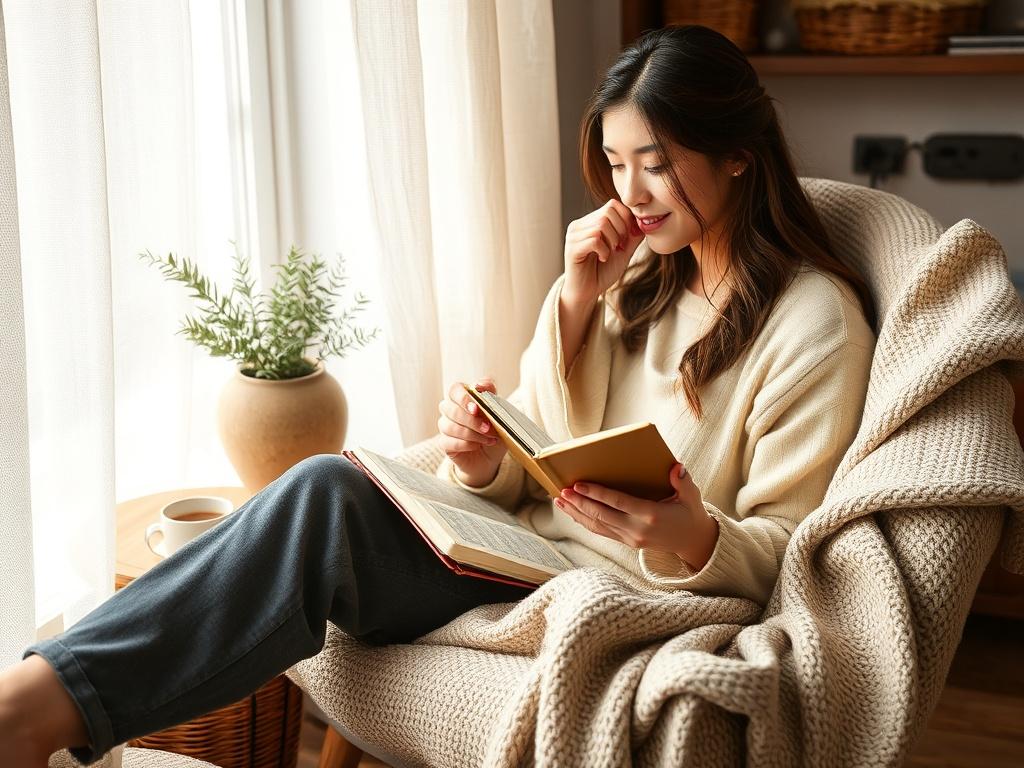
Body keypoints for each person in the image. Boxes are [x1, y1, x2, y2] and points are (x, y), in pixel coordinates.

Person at [0, 24, 875, 767]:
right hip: (525, 554)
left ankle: (30, 712)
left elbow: (793, 556)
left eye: (656, 164)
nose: (629, 195)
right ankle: (32, 706)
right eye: (613, 164)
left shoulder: (815, 325)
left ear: (736, 157)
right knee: (326, 487)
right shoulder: (637, 273)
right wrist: (495, 443)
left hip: (624, 589)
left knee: (316, 501)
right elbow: (551, 464)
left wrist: (691, 536)